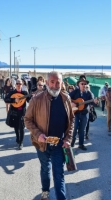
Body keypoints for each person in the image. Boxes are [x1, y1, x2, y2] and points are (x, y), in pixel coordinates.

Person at [24, 71, 74, 200]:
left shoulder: (66, 98)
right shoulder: (36, 99)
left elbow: (71, 120)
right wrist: (38, 134)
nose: (55, 85)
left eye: (58, 82)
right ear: (46, 83)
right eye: (52, 82)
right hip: (42, 143)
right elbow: (27, 120)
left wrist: (68, 138)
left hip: (59, 144)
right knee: (45, 169)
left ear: (61, 83)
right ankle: (45, 191)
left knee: (59, 173)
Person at [70, 76, 96, 150]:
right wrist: (72, 103)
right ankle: (72, 142)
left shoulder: (88, 93)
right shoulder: (75, 92)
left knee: (82, 129)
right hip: (76, 113)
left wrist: (95, 102)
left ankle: (81, 144)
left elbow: (93, 103)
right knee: (74, 128)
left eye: (85, 84)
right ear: (79, 84)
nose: (84, 85)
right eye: (82, 84)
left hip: (85, 113)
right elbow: (67, 98)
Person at [4, 79, 30, 150]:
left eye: (20, 84)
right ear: (15, 85)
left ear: (22, 85)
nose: (19, 85)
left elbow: (29, 100)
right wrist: (14, 100)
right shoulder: (12, 93)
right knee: (16, 127)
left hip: (22, 113)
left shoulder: (24, 93)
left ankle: (21, 143)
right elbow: (6, 99)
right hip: (14, 113)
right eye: (17, 84)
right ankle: (18, 138)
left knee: (21, 127)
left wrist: (32, 96)